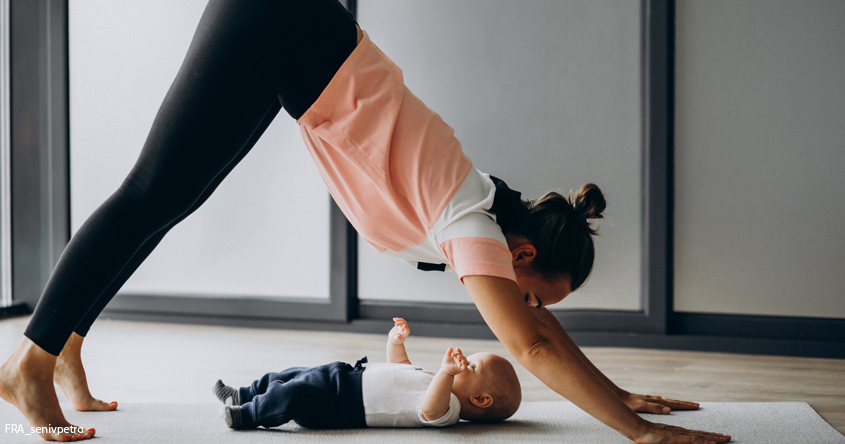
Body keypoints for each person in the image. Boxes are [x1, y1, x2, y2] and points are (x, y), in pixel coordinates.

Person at [0, 0, 731, 442]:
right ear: (523, 250)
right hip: (281, 27)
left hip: (293, 50)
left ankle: (66, 342)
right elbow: (533, 341)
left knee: (168, 199)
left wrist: (620, 391)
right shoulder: (468, 217)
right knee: (151, 189)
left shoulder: (476, 210)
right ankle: (28, 362)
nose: (525, 304)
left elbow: (542, 328)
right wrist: (634, 430)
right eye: (534, 288)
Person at [212, 318, 521, 430]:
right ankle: (244, 392)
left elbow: (428, 410)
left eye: (471, 366)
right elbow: (399, 369)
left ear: (480, 399)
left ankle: (246, 415)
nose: (463, 361)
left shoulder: (448, 408)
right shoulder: (435, 382)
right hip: (344, 377)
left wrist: (445, 373)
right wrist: (395, 342)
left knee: (291, 394)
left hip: (340, 407)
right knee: (289, 375)